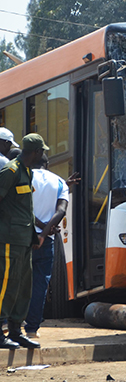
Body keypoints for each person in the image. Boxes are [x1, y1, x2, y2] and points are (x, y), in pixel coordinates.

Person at [0, 134, 49, 350]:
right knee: (6, 286)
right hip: (9, 239)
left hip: (24, 240)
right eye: (42, 151)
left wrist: (34, 237)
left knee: (23, 287)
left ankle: (16, 331)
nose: (44, 154)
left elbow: (26, 209)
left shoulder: (26, 172)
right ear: (36, 152)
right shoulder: (10, 171)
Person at [24, 154, 74, 339]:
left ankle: (10, 324)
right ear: (47, 164)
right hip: (46, 243)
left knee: (17, 282)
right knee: (40, 285)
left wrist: (39, 229)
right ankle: (31, 329)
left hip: (23, 238)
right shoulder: (60, 181)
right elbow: (61, 210)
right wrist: (44, 233)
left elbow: (23, 207)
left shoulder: (24, 177)